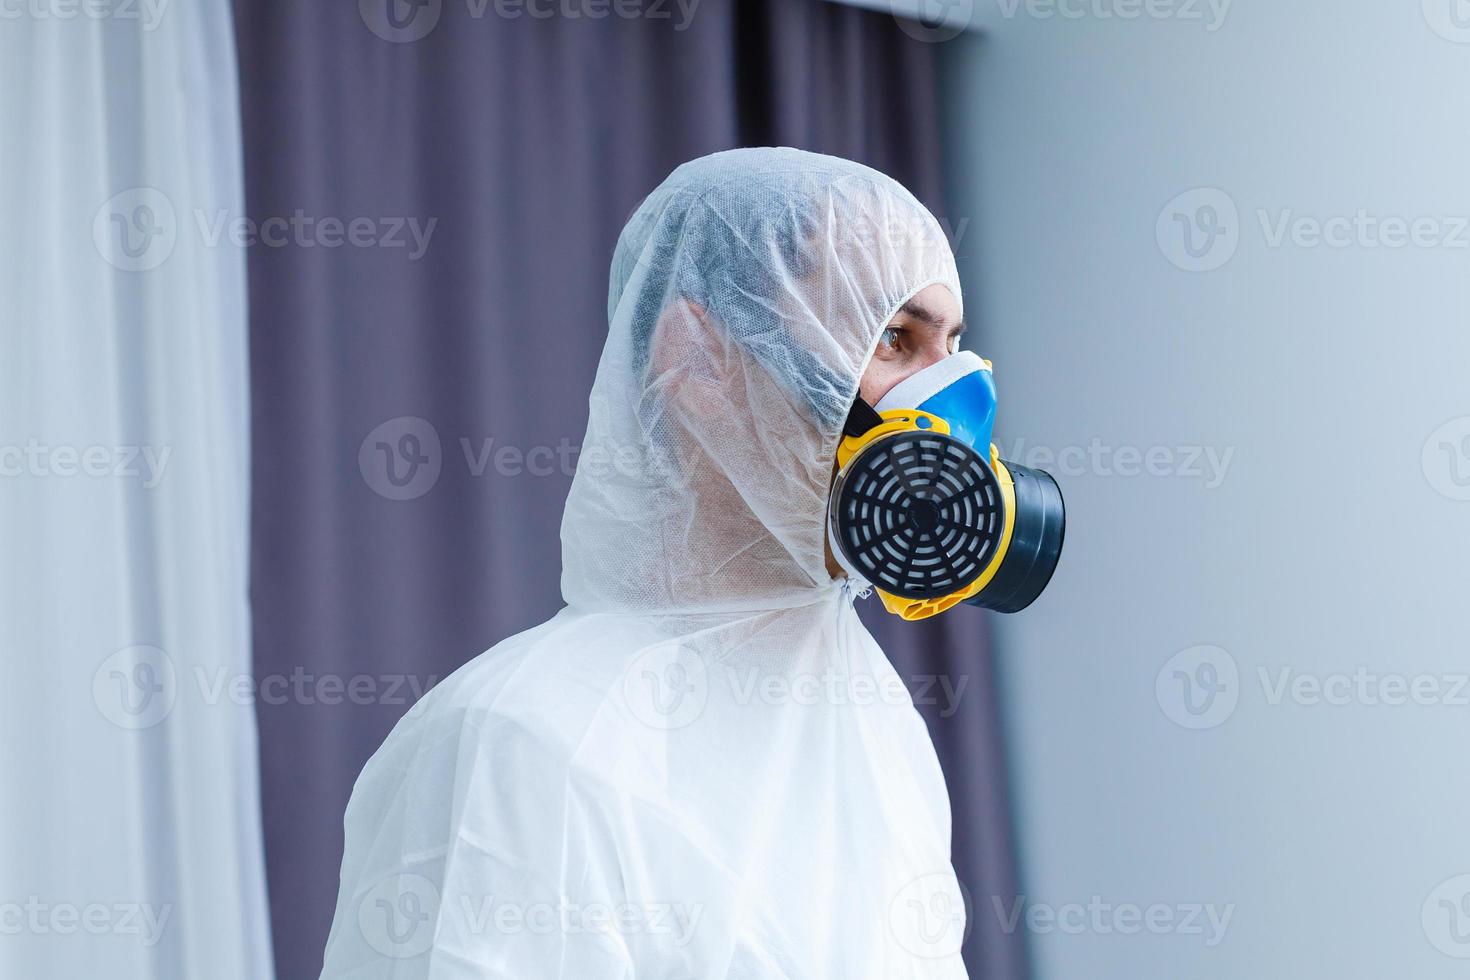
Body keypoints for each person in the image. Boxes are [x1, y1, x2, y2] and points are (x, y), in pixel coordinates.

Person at [319, 147, 971, 978]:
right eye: (891, 337)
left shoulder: (879, 723)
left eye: (950, 347)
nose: (944, 402)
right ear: (700, 361)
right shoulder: (522, 744)